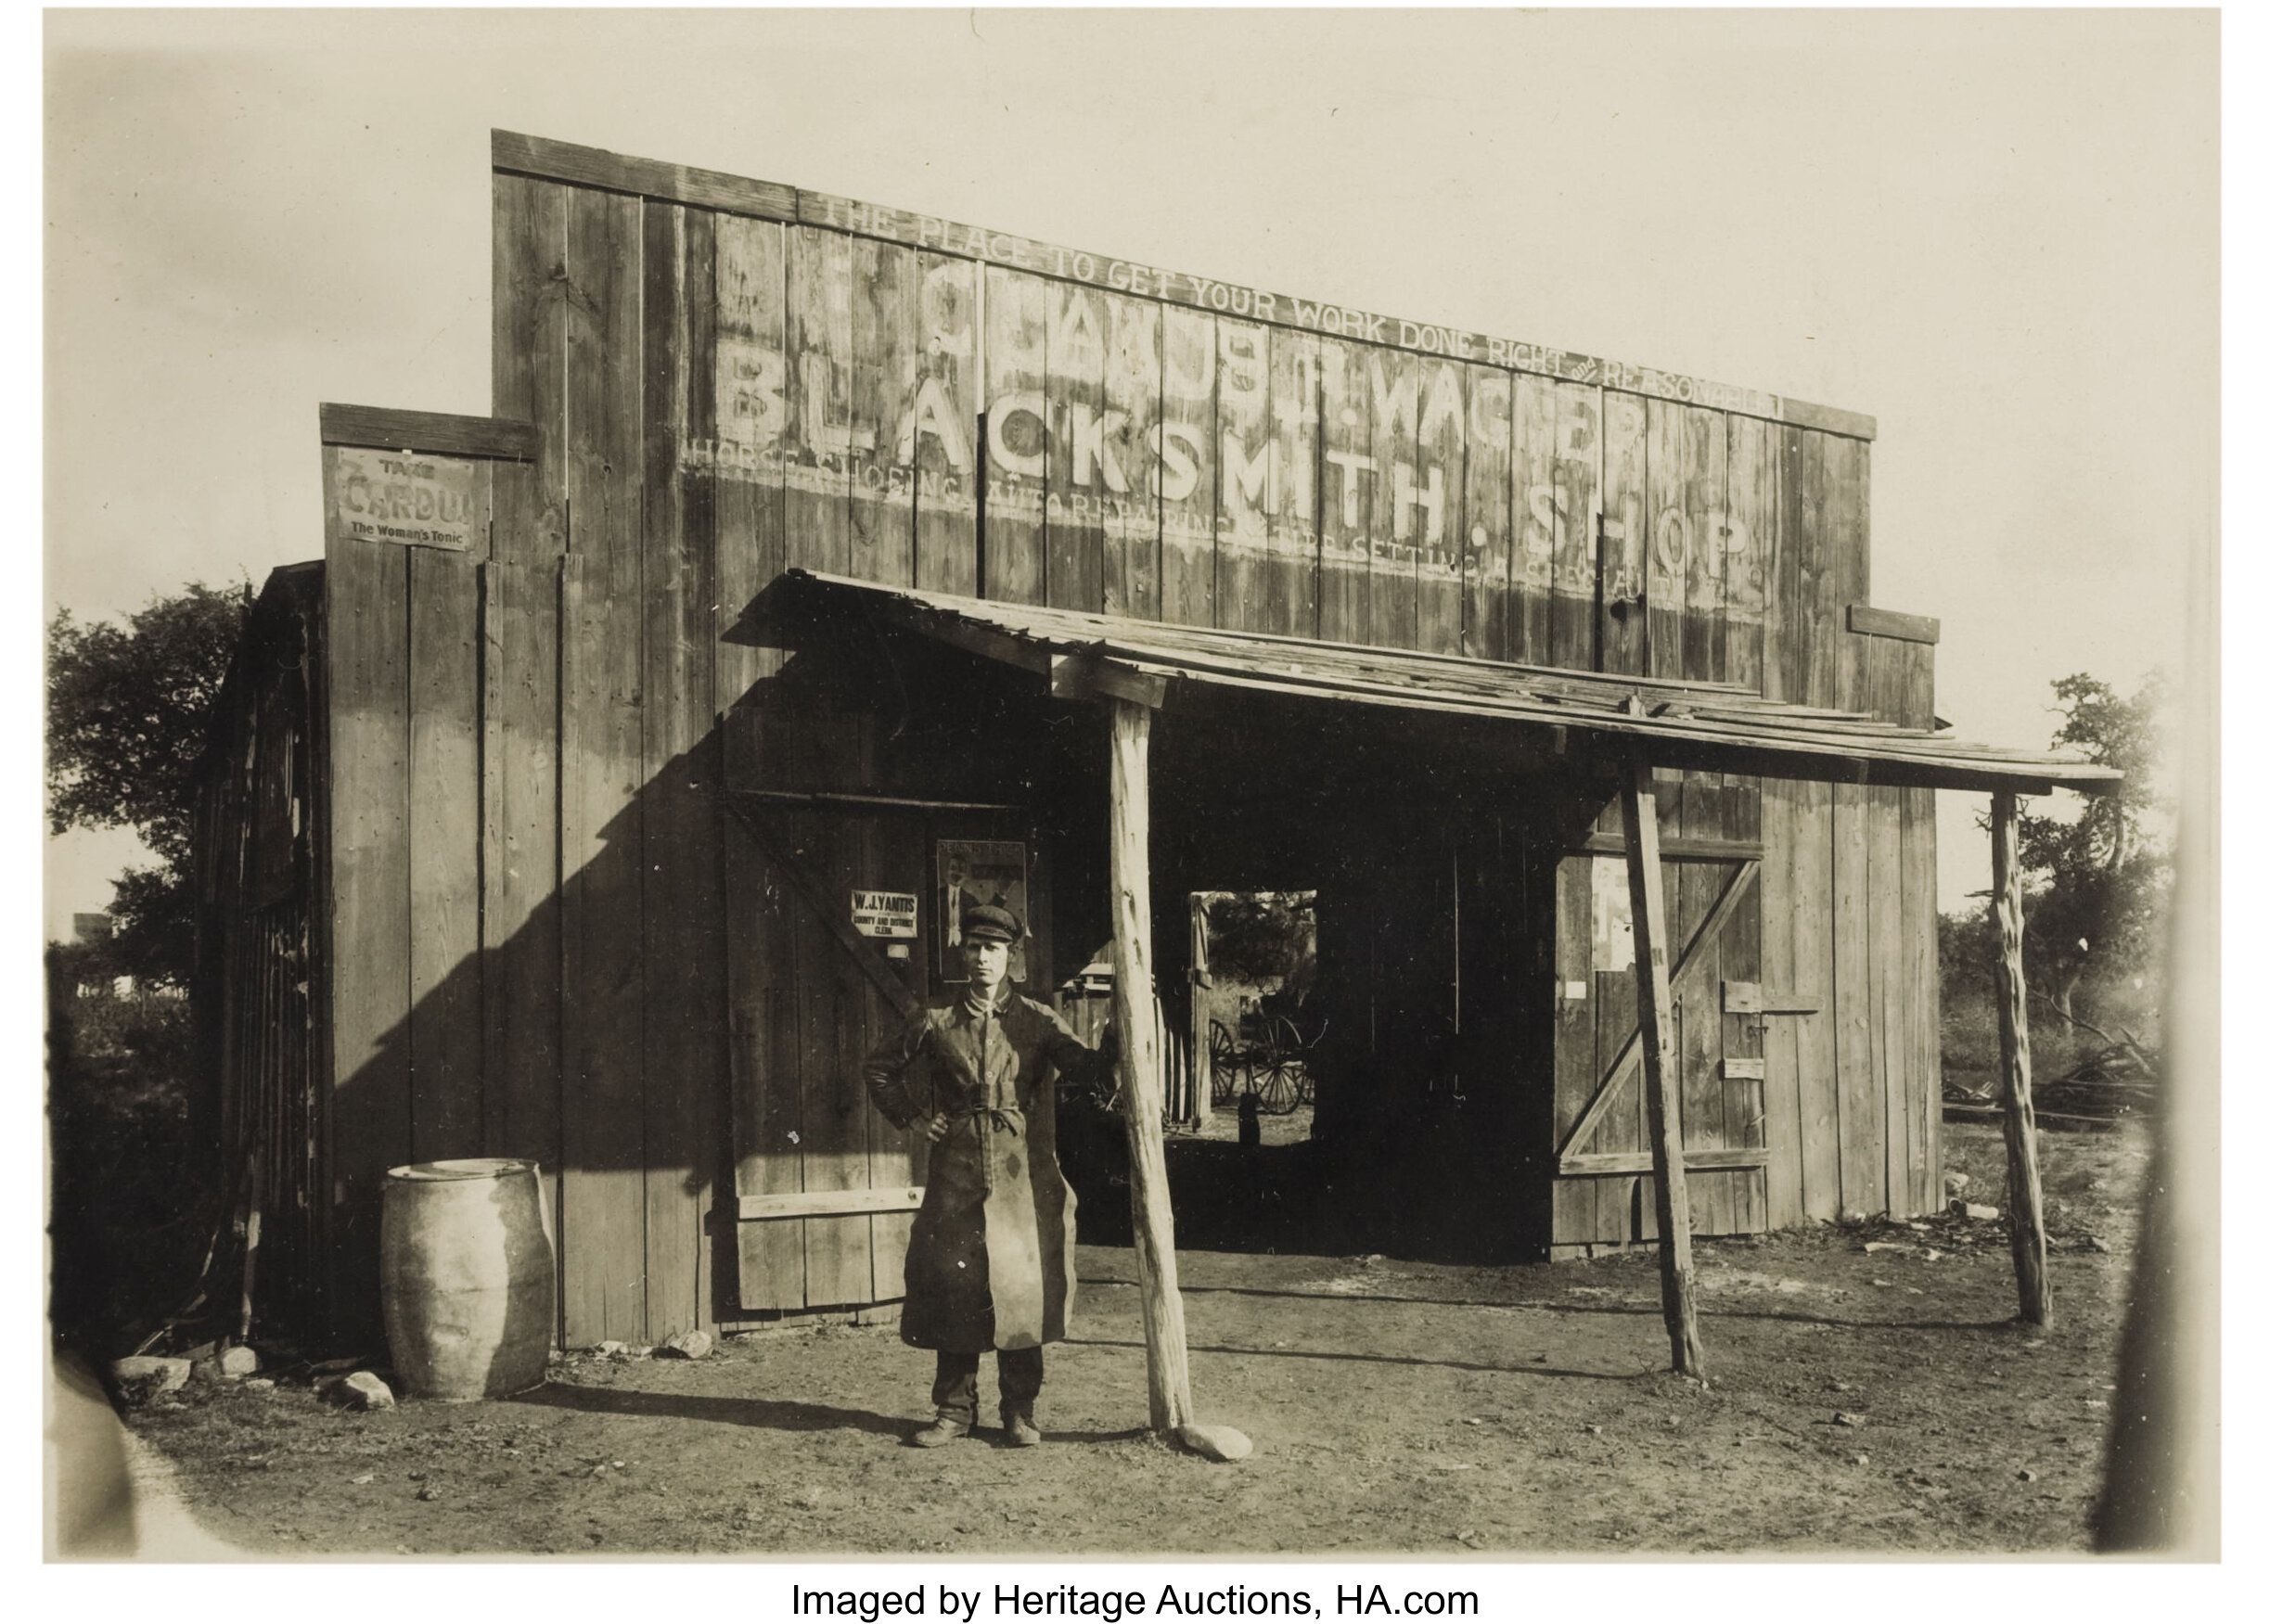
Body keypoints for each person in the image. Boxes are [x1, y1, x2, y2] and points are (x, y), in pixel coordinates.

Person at [861, 903, 1118, 1448]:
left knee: (1021, 1287)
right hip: (955, 1171)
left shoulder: (1037, 1020)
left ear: (1011, 958)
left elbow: (1087, 1069)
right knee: (956, 1284)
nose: (982, 959)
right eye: (974, 948)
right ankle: (953, 1412)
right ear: (963, 955)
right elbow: (879, 1069)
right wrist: (912, 1117)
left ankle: (1019, 1411)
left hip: (1020, 1173)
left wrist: (1121, 1030)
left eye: (994, 950)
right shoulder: (936, 1022)